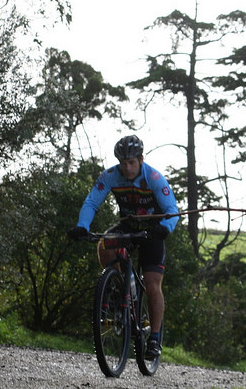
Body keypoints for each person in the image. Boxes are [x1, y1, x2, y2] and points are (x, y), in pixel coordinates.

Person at [67, 135, 179, 359]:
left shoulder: (154, 178)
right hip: (128, 226)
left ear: (141, 159)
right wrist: (82, 226)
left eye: (131, 162)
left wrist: (165, 228)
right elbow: (92, 202)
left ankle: (154, 338)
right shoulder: (110, 176)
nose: (127, 168)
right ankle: (118, 287)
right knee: (105, 243)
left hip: (152, 231)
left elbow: (172, 210)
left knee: (152, 284)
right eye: (123, 163)